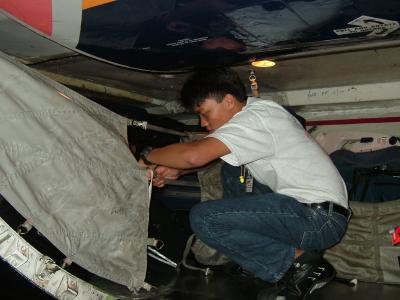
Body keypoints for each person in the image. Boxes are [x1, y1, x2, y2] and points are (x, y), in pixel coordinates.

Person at [138, 67, 350, 300]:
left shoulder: (255, 119)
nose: (203, 123)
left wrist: (148, 156)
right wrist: (178, 170)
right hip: (313, 215)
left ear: (228, 100)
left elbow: (194, 155)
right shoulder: (261, 114)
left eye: (205, 113)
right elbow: (201, 160)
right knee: (232, 168)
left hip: (316, 219)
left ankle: (301, 264)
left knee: (204, 218)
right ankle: (287, 263)